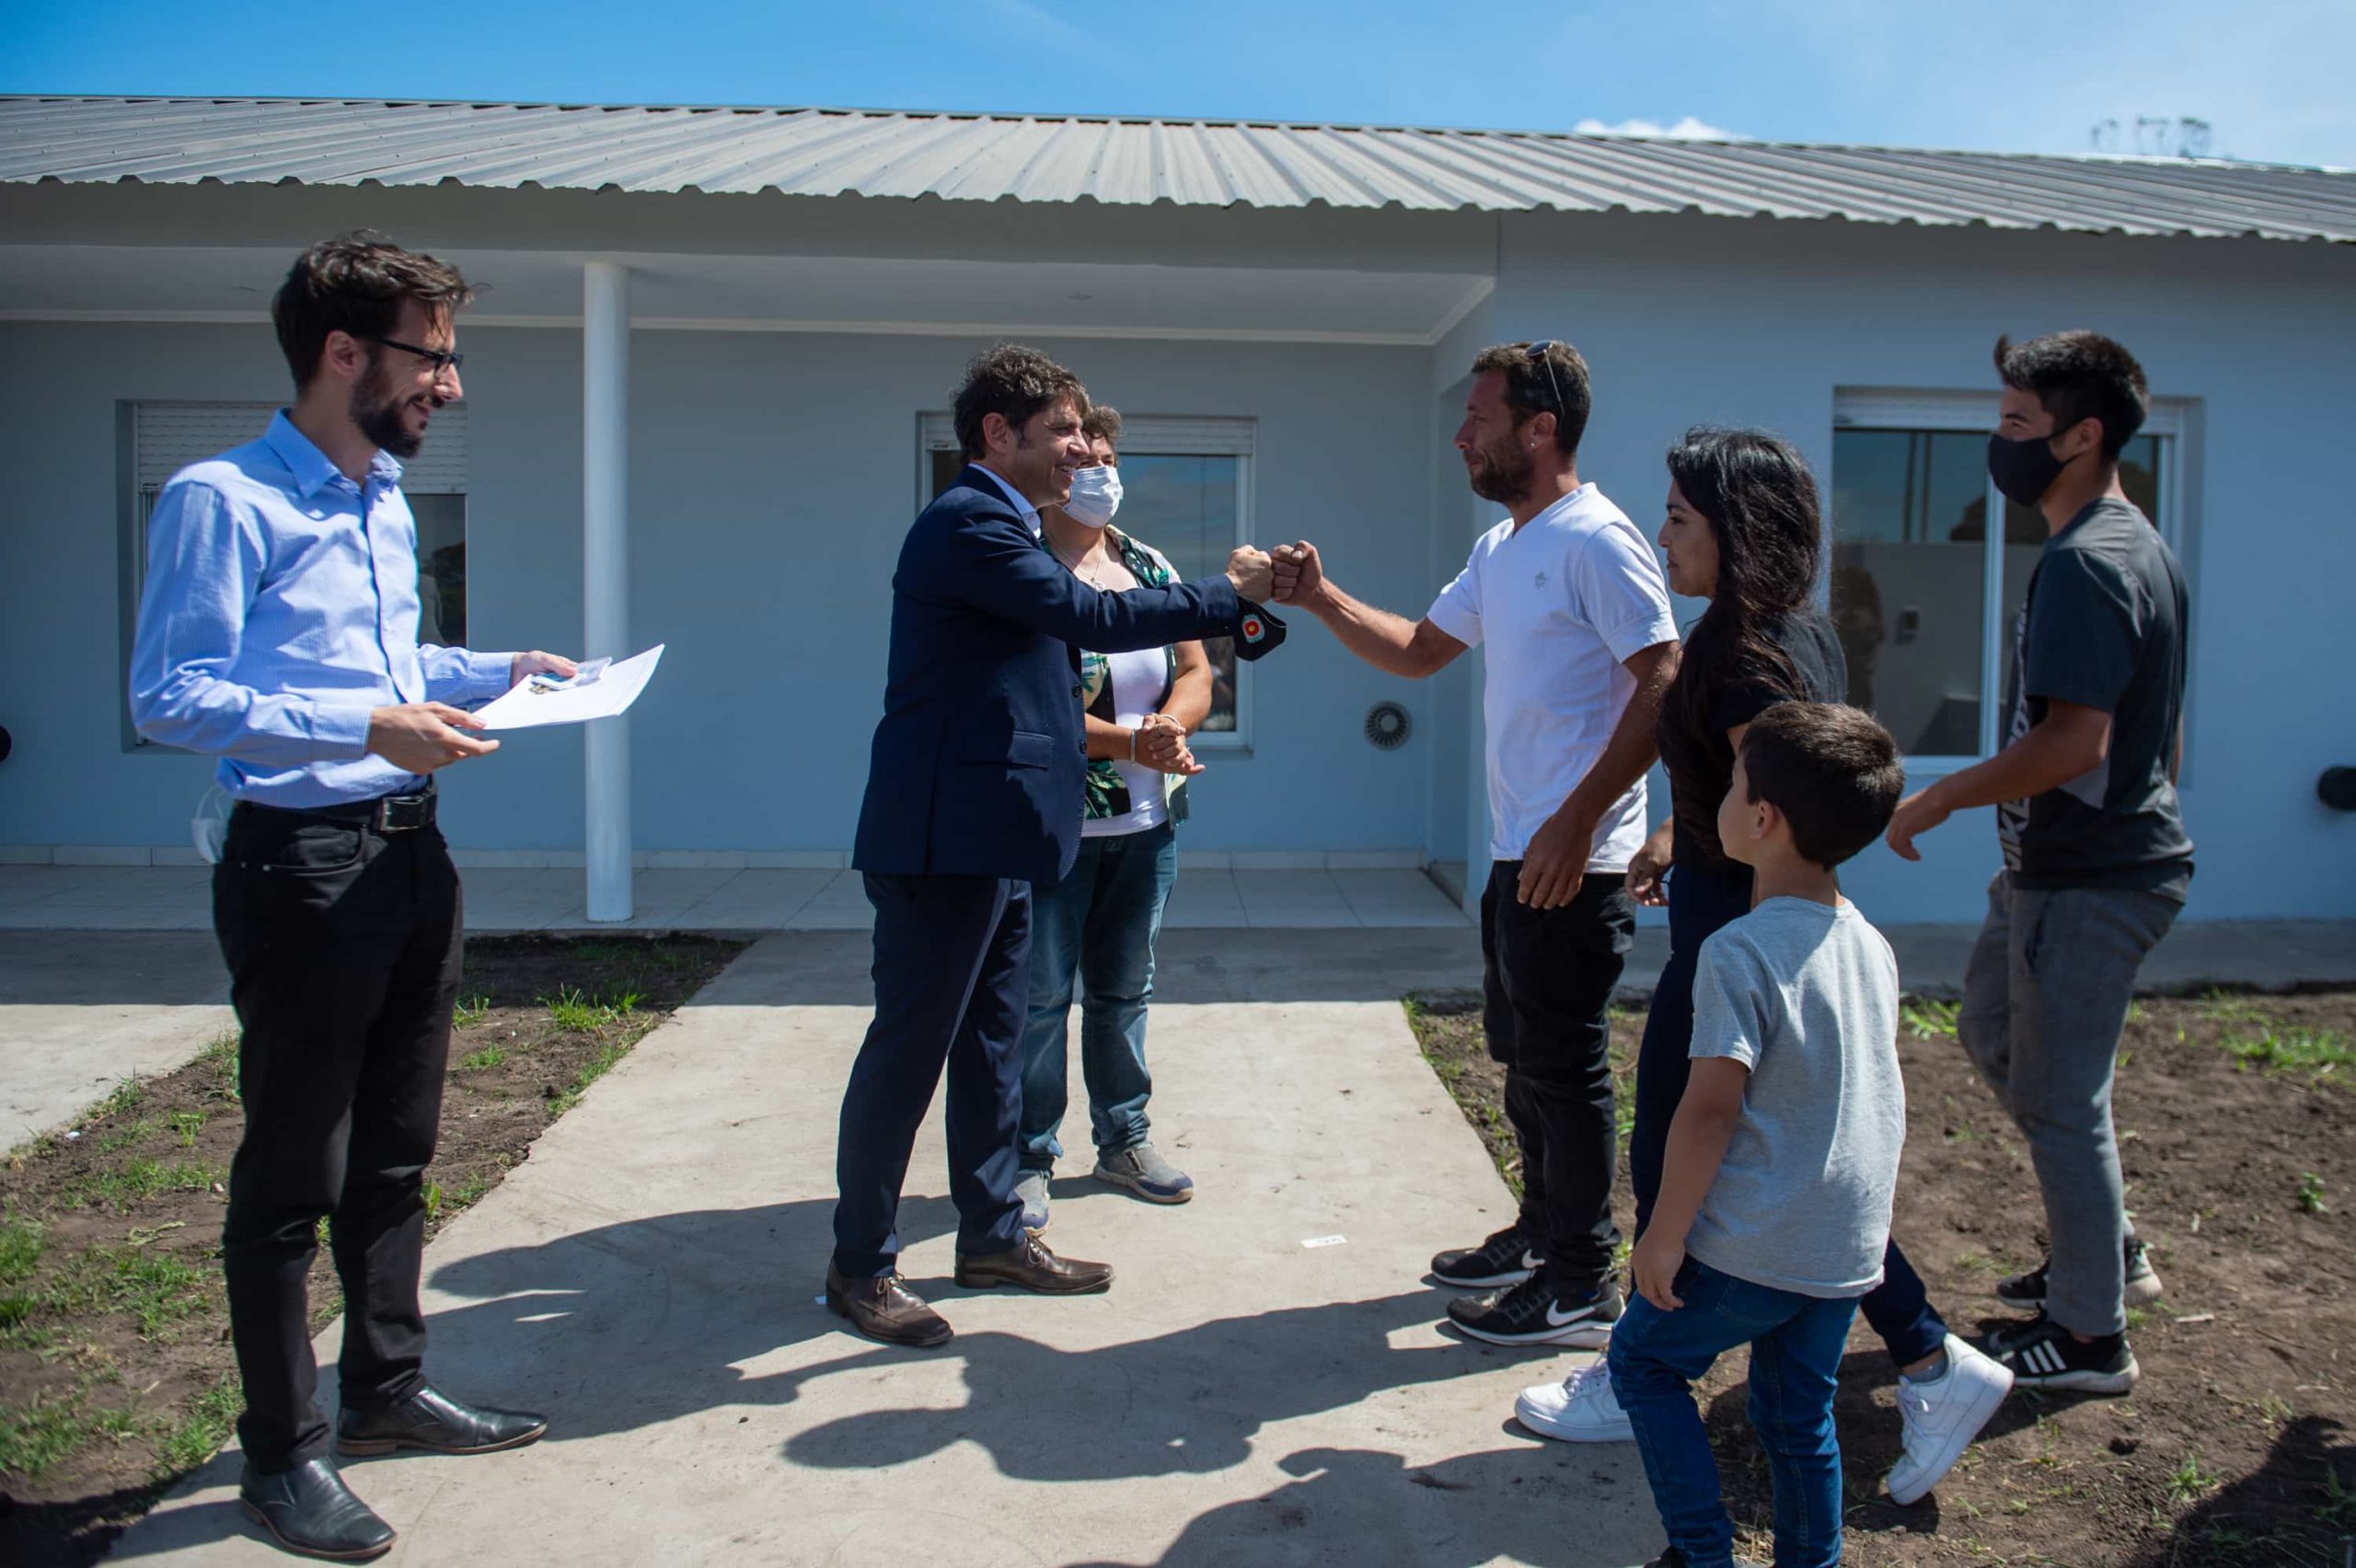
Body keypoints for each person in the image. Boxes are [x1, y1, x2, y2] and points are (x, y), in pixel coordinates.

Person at [127, 233, 561, 1563]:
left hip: (410, 855)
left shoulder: (378, 497)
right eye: (436, 355)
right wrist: (370, 724)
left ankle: (384, 1392)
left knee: (398, 1150)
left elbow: (389, 657)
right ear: (343, 352)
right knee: (291, 1172)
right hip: (299, 870)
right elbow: (173, 695)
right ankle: (282, 1456)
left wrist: (494, 670)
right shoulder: (222, 499)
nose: (454, 385)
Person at [1515, 430, 2009, 1509]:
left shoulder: (1739, 657)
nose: (1662, 535)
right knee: (1802, 1178)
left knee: (1676, 1143)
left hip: (1744, 931)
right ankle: (1929, 1356)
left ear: (1735, 535)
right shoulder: (1794, 632)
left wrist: (1730, 913)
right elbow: (1756, 796)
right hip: (1754, 905)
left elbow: (1763, 799)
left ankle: (1641, 1362)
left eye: (1681, 519)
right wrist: (1669, 839)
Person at [831, 345, 1274, 1349]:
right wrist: (1227, 588)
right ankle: (859, 1265)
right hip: (944, 843)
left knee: (992, 1048)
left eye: (1083, 431)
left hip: (1008, 838)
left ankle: (991, 1236)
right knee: (909, 1057)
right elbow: (1093, 616)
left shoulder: (1013, 525)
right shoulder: (970, 523)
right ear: (1000, 433)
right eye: (1065, 430)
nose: (1082, 447)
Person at [1271, 340, 1679, 1347]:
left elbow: (1663, 679)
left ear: (1540, 430)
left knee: (1564, 1062)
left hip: (1573, 861)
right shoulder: (1506, 547)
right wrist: (1321, 598)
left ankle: (1584, 1281)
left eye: (1481, 417)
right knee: (1520, 1053)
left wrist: (1579, 819)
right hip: (1517, 852)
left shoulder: (1596, 537)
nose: (1461, 434)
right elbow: (1418, 651)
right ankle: (1544, 1233)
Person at [1887, 330, 2191, 1393]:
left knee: (2062, 1103)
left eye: (2016, 422)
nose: (1997, 441)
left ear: (2081, 434)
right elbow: (2155, 729)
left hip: (2091, 882)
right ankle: (2102, 1247)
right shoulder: (2124, 545)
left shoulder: (2090, 563)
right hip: (2052, 872)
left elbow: (2074, 743)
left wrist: (1937, 794)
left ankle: (2091, 1336)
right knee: (1991, 1029)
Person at [1609, 703, 1909, 1568]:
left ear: (1763, 818)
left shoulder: (1738, 950)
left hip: (1750, 1248)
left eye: (1733, 784)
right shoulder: (1871, 946)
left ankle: (1702, 1555)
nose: (1721, 797)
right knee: (1795, 1415)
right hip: (1842, 1248)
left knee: (1645, 1366)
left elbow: (1709, 1108)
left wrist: (1663, 1237)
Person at [1016, 406, 1212, 1228]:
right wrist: (1133, 742)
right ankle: (1026, 1155)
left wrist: (1172, 728)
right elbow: (1033, 705)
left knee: (1125, 992)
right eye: (1083, 454)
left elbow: (1199, 666)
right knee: (1037, 1000)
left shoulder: (1146, 560)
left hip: (1145, 828)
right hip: (1054, 830)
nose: (1099, 469)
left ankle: (1124, 1138)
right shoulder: (1021, 564)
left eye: (1107, 455)